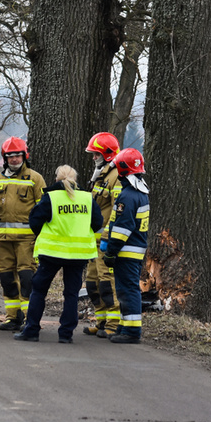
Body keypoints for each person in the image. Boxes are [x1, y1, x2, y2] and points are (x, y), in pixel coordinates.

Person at [14, 166, 104, 343]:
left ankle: (31, 330)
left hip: (52, 253)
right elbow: (97, 222)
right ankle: (66, 334)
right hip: (78, 254)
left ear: (56, 179)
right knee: (71, 294)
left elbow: (35, 221)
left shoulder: (51, 197)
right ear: (75, 179)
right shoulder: (87, 198)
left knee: (39, 290)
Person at [0, 137, 46, 330]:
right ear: (4, 158)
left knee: (27, 279)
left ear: (25, 156)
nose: (14, 159)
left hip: (27, 241)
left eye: (17, 156)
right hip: (3, 241)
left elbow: (44, 209)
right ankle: (13, 317)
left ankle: (29, 318)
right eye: (10, 156)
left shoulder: (35, 178)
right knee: (7, 279)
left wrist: (41, 235)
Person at [104, 148, 150, 344]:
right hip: (135, 250)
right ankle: (125, 326)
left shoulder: (127, 196)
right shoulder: (140, 193)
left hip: (126, 250)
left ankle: (132, 332)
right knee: (125, 288)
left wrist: (111, 251)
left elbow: (123, 227)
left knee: (128, 289)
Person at [83, 132, 123, 338]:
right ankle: (101, 320)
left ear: (107, 154)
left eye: (95, 154)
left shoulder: (116, 176)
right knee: (92, 283)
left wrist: (108, 237)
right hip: (92, 242)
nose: (93, 158)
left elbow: (117, 210)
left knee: (107, 282)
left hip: (104, 242)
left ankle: (113, 323)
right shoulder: (100, 175)